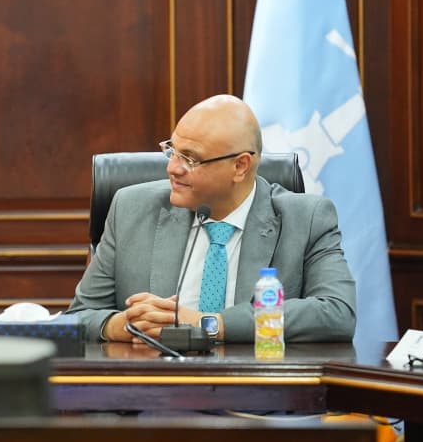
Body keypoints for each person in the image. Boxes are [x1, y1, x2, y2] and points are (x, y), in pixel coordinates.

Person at [67, 94, 356, 344]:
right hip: (154, 386)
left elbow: (337, 312)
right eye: (172, 151)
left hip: (257, 387)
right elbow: (79, 316)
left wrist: (208, 324)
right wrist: (122, 325)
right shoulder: (131, 209)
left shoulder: (306, 219)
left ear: (240, 166)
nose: (172, 168)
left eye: (190, 158)